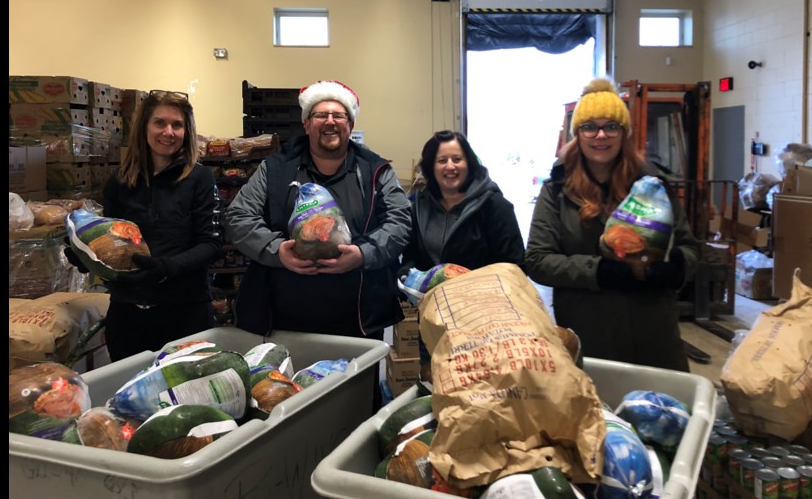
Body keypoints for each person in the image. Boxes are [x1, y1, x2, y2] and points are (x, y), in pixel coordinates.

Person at [524, 78, 699, 372]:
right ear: (577, 133)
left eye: (611, 126)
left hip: (653, 330)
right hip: (591, 331)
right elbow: (538, 260)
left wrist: (676, 267)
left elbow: (689, 247)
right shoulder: (556, 189)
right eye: (590, 126)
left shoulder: (653, 184)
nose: (600, 135)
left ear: (624, 132)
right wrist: (599, 271)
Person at [223, 80, 412, 342]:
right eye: (321, 115)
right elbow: (238, 216)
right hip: (283, 318)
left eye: (339, 115)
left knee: (355, 382)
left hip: (359, 316)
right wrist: (276, 250)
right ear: (306, 124)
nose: (330, 121)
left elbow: (399, 223)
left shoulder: (376, 170)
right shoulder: (275, 168)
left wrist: (362, 254)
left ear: (351, 125)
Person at [86, 90, 223, 362]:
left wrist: (167, 268)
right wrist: (86, 256)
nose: (168, 132)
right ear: (144, 128)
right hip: (128, 312)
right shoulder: (120, 181)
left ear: (187, 130)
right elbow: (110, 241)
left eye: (177, 125)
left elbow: (211, 245)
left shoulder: (200, 178)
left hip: (185, 311)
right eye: (160, 123)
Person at [400, 130, 525, 276]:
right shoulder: (420, 207)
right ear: (431, 167)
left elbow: (514, 265)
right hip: (430, 296)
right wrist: (406, 276)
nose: (450, 166)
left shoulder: (495, 206)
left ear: (469, 163)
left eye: (457, 159)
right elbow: (411, 256)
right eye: (442, 160)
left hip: (484, 296)